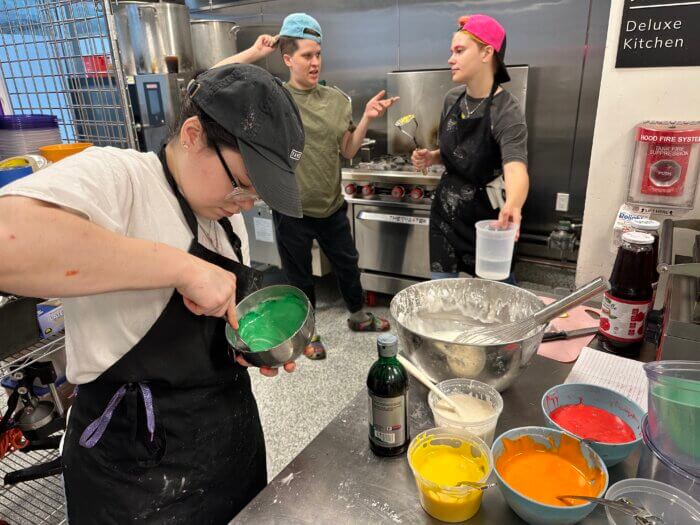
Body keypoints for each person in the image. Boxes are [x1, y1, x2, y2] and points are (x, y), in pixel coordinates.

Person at [0, 64, 309, 523]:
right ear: (192, 134)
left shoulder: (223, 212)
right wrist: (182, 268)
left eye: (258, 194)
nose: (247, 201)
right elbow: (8, 242)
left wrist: (242, 345)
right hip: (134, 474)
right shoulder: (121, 177)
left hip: (228, 448)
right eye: (243, 184)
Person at [215, 13, 399, 359]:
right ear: (287, 59)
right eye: (306, 56)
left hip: (331, 204)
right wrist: (254, 53)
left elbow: (347, 149)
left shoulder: (336, 100)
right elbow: (216, 79)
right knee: (298, 276)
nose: (315, 63)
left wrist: (368, 120)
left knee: (347, 263)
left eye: (318, 54)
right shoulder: (272, 99)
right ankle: (309, 334)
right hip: (291, 209)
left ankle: (358, 316)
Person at [412, 14, 529, 280]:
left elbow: (515, 167)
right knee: (442, 298)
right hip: (445, 215)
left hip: (488, 223)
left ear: (487, 52)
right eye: (451, 51)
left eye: (459, 51)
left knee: (493, 302)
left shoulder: (506, 110)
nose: (450, 59)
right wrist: (432, 157)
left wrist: (514, 203)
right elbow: (456, 152)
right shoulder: (452, 99)